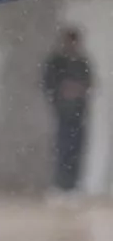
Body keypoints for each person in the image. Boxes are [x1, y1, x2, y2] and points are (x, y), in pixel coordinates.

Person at [41, 27, 95, 195]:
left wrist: (79, 90)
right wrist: (62, 91)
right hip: (62, 113)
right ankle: (60, 185)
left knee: (76, 149)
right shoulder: (56, 62)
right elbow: (48, 84)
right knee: (62, 149)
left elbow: (90, 83)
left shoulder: (82, 62)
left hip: (79, 113)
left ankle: (73, 186)